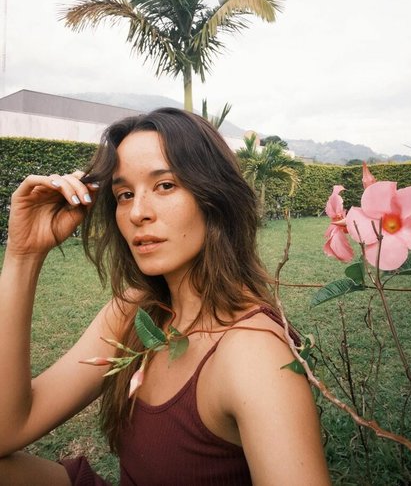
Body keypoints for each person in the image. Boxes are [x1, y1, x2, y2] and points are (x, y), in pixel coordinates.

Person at [0, 108, 331, 485]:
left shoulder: (253, 354)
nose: (137, 213)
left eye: (165, 185)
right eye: (125, 194)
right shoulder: (135, 312)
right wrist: (24, 255)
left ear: (214, 195)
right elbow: (8, 429)